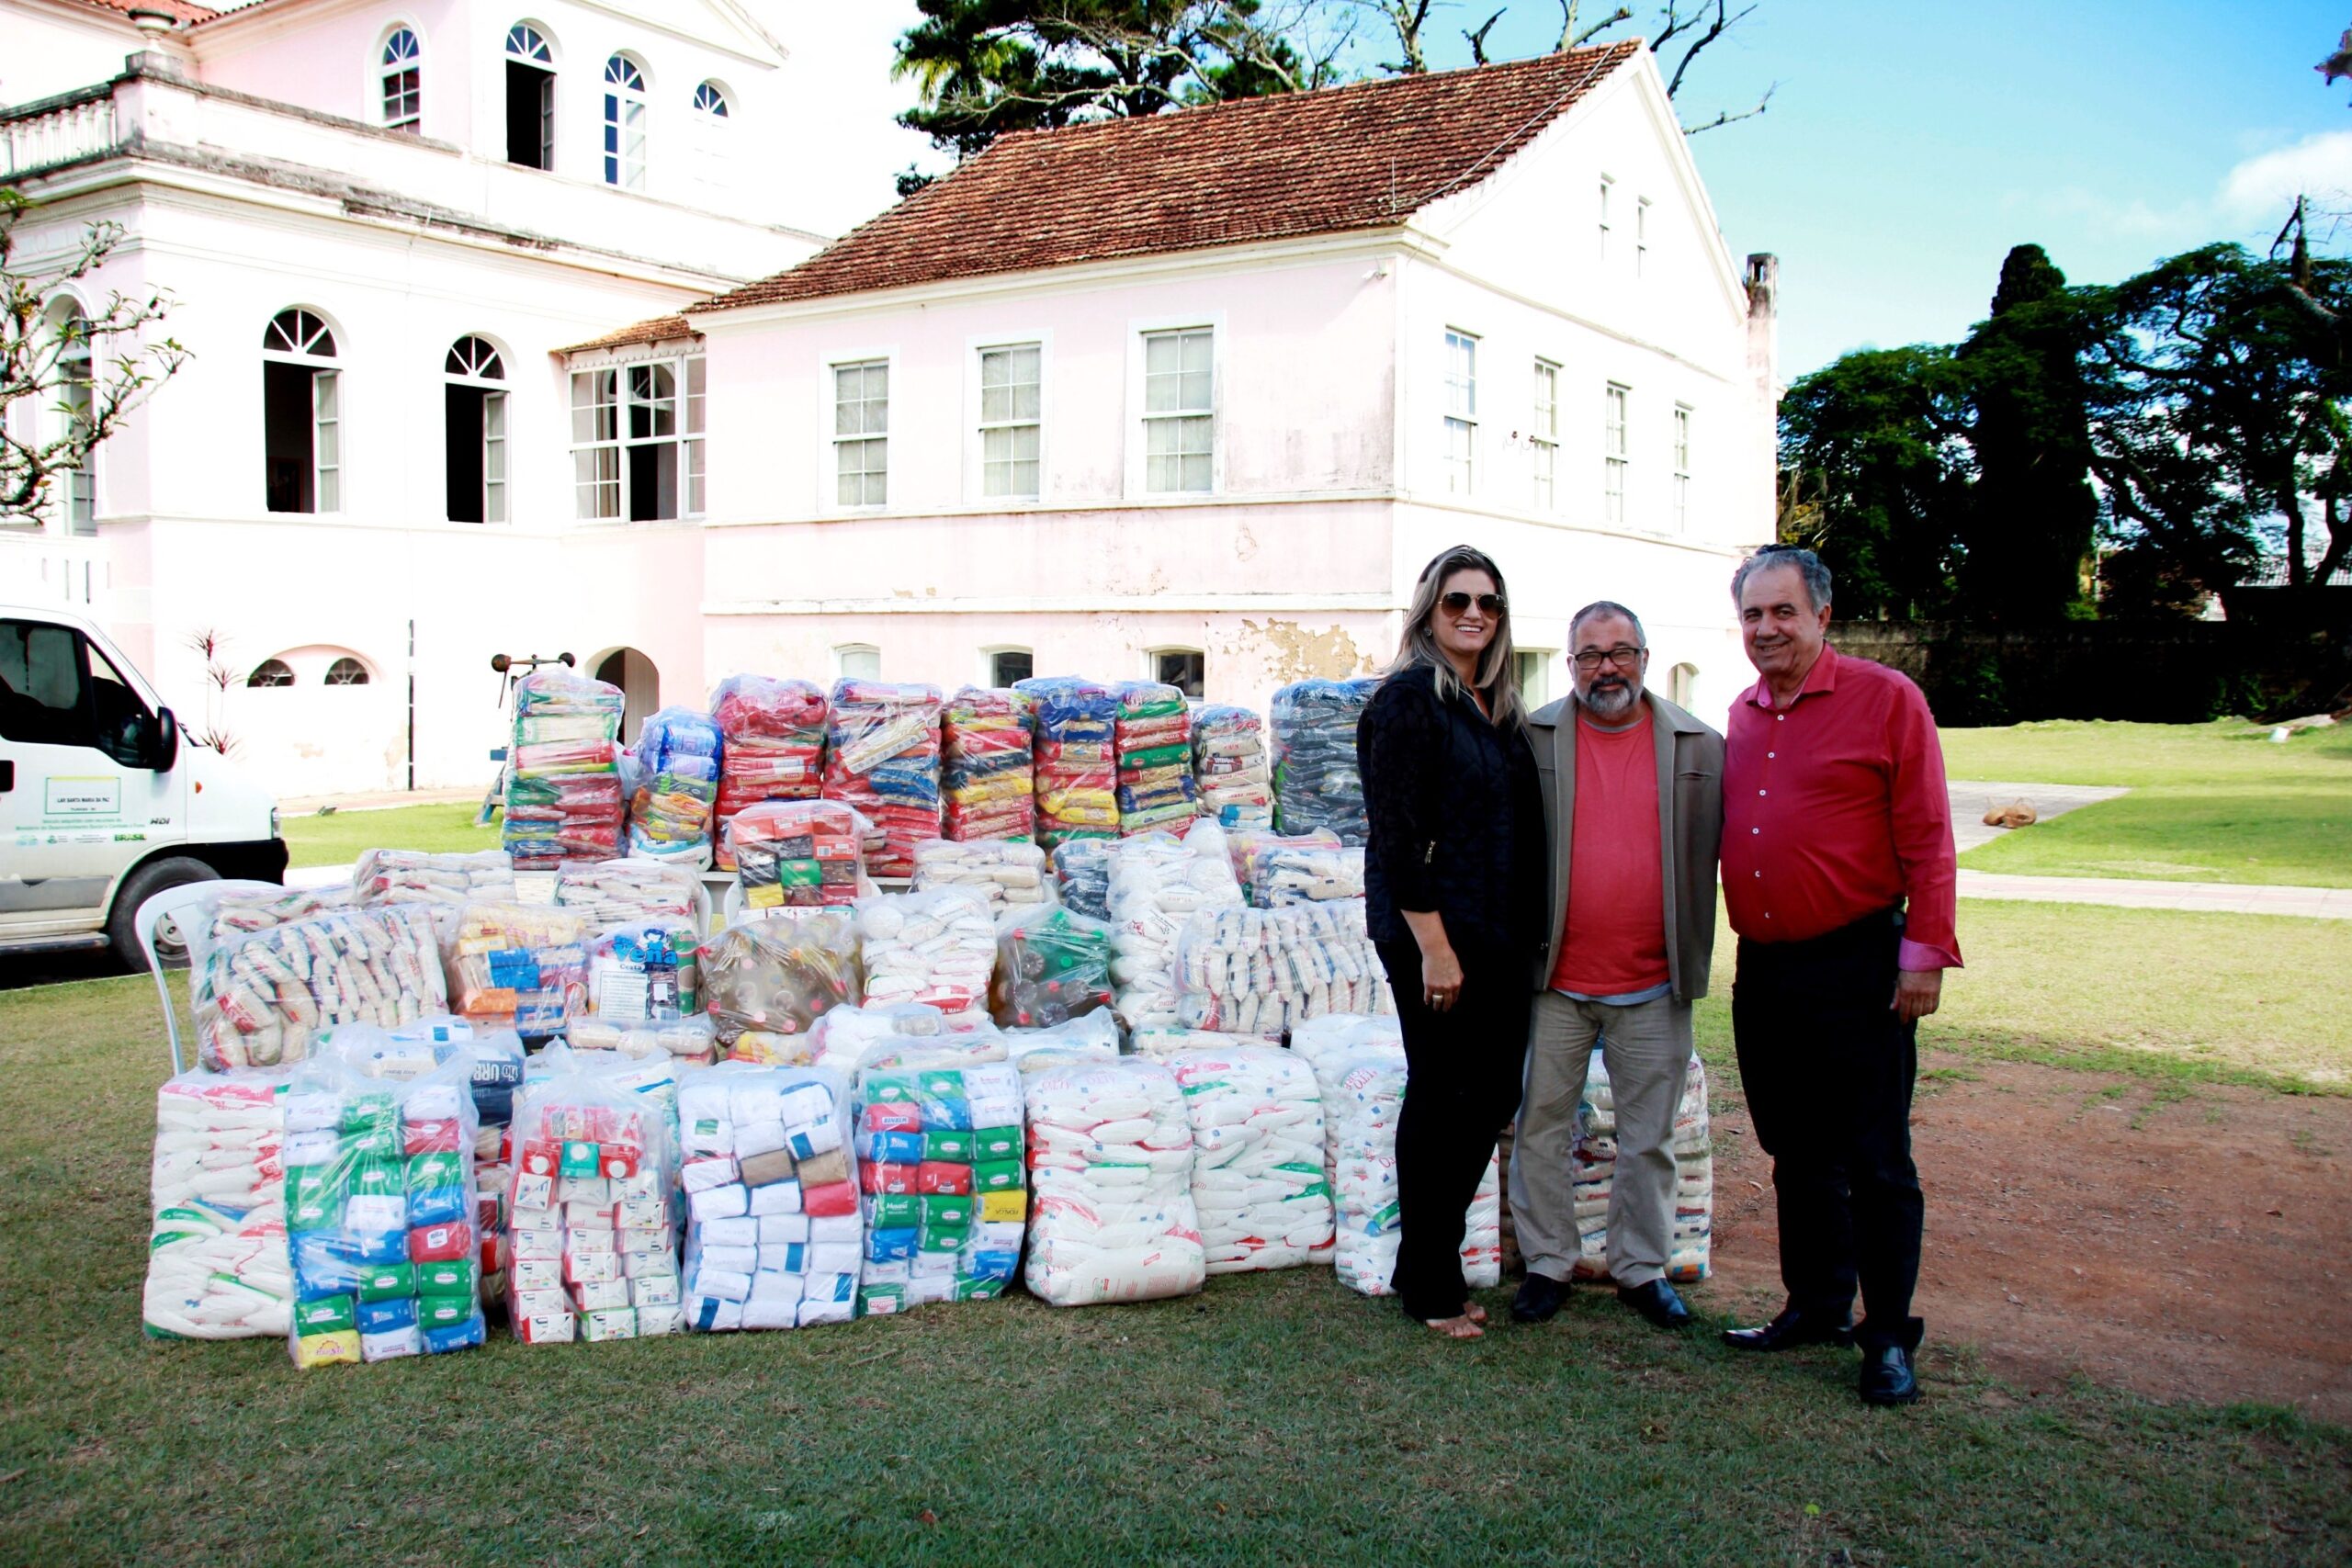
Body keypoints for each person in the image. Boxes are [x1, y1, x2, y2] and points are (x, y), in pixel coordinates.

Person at [1718, 546, 1962, 1407]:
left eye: (1783, 612)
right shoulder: (1744, 713)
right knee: (1795, 1149)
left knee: (1876, 1157)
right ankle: (1815, 1303)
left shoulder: (1887, 699)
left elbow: (1930, 833)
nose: (1766, 628)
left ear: (1822, 614)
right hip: (1767, 970)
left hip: (1860, 963)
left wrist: (1923, 952)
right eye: (1753, 614)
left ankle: (1887, 1335)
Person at [1508, 601, 1723, 1331]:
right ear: (1570, 665)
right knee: (1541, 1124)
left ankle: (1640, 1267)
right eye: (1590, 654)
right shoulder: (1532, 737)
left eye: (1620, 651)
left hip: (1654, 983)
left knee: (1649, 1137)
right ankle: (1546, 1263)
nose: (1606, 666)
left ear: (1644, 657)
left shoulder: (1699, 746)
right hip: (1554, 981)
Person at [1357, 544, 1546, 1339]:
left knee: (1492, 1093)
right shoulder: (1407, 702)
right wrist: (1435, 948)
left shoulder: (1494, 707)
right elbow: (1397, 838)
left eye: (1489, 603)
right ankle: (1431, 1280)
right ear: (1429, 611)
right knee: (1442, 1094)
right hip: (1435, 936)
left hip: (1499, 934)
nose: (1475, 614)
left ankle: (1419, 1257)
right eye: (1457, 601)